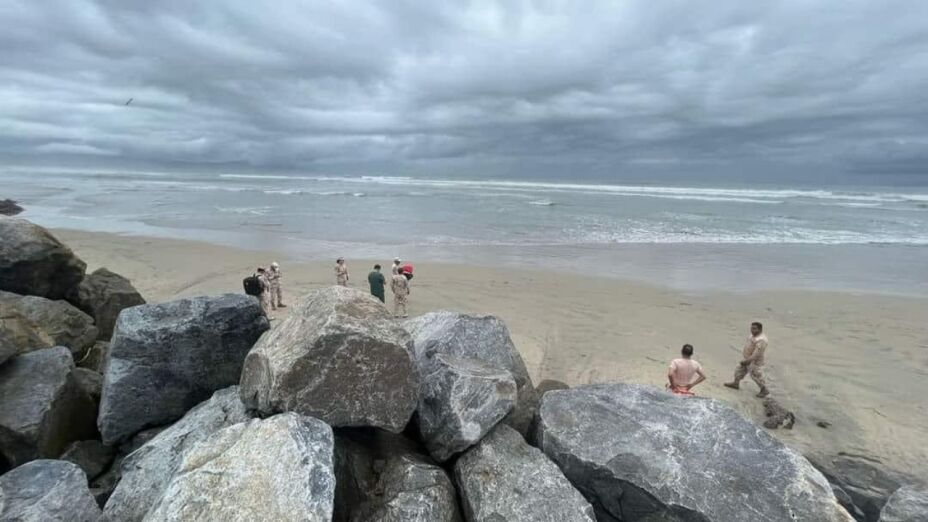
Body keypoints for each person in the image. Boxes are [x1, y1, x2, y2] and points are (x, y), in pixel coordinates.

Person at [724, 322, 770, 398]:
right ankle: (736, 383)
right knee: (738, 370)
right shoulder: (752, 336)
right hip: (747, 358)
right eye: (751, 328)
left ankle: (764, 390)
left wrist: (748, 361)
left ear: (760, 329)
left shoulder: (762, 340)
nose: (752, 330)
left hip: (754, 361)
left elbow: (757, 353)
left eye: (754, 329)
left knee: (756, 376)